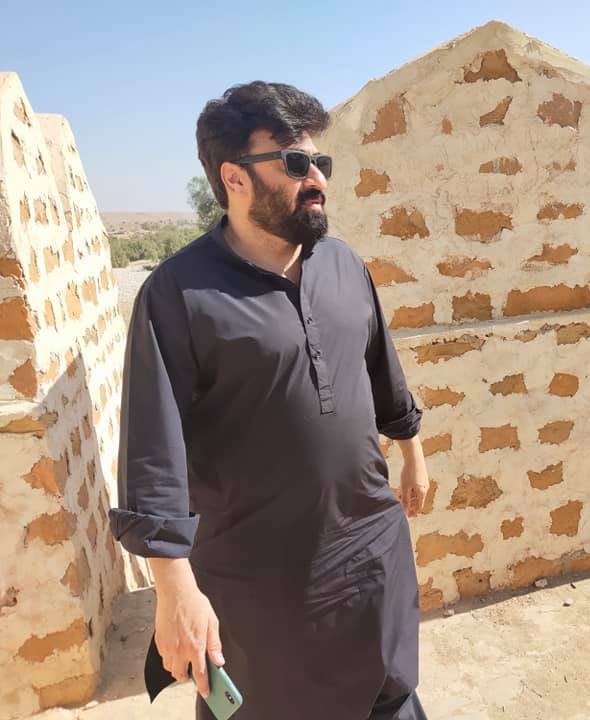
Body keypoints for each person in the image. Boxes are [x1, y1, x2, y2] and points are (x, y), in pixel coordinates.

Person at [109, 81, 431, 719]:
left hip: (370, 555)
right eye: (293, 163)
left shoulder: (343, 265)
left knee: (389, 695)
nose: (316, 178)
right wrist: (174, 590)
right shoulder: (178, 295)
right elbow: (154, 451)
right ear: (232, 178)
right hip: (259, 583)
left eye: (319, 163)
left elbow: (380, 371)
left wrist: (413, 451)